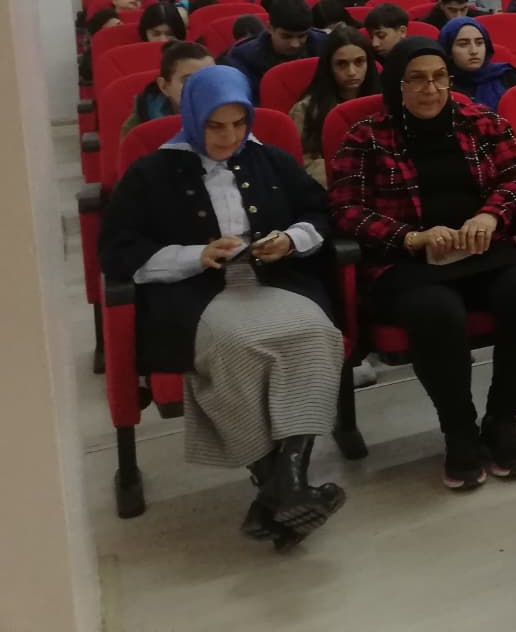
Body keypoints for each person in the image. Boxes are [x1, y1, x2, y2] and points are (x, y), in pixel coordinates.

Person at [101, 65, 346, 545]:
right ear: (192, 118)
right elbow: (117, 250)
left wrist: (291, 240)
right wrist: (196, 255)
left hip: (276, 281)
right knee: (237, 345)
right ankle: (286, 488)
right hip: (195, 293)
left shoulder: (269, 159)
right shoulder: (151, 172)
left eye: (238, 123)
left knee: (315, 333)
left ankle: (282, 491)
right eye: (215, 126)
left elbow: (320, 211)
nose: (229, 137)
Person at [327, 38, 516, 489]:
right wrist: (410, 237)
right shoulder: (365, 137)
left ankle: (502, 418)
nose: (430, 89)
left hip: (482, 248)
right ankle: (459, 430)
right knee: (437, 312)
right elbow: (345, 209)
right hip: (407, 261)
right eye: (416, 80)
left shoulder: (481, 121)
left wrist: (490, 215)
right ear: (396, 85)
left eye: (439, 78)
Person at [289, 26, 381, 186]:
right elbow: (302, 162)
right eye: (341, 64)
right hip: (330, 184)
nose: (352, 72)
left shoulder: (383, 102)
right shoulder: (306, 109)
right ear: (329, 67)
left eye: (359, 62)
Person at [222, 0, 327, 100]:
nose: (295, 44)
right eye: (286, 36)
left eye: (302, 36)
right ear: (269, 28)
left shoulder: (323, 44)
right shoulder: (243, 57)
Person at [123, 41, 214, 135]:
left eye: (210, 78)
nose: (202, 88)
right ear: (164, 86)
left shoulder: (224, 109)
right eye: (188, 81)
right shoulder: (139, 125)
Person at [441, 17, 516, 112]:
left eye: (479, 43)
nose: (474, 51)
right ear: (448, 50)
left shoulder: (505, 74)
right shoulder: (441, 85)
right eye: (463, 44)